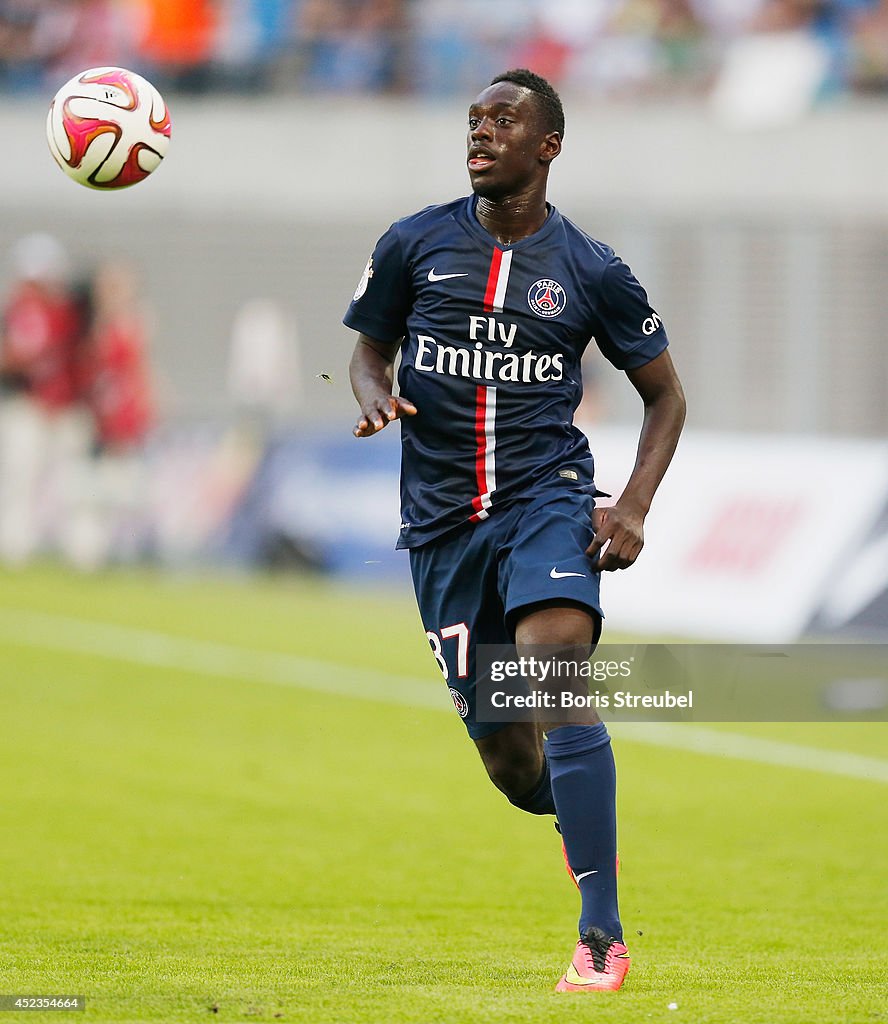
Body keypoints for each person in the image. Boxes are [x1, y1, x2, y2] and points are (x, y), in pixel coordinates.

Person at [344, 68, 686, 992]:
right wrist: (375, 395)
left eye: (504, 120)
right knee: (508, 761)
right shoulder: (414, 244)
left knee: (555, 671)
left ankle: (601, 936)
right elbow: (367, 349)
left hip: (549, 500)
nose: (482, 131)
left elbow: (665, 396)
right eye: (474, 120)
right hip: (444, 530)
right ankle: (579, 810)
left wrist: (635, 506)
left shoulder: (593, 270)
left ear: (549, 146)